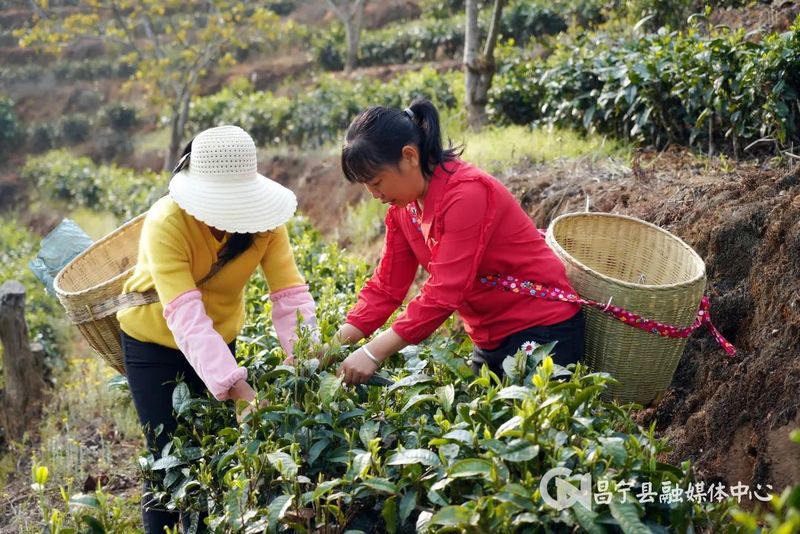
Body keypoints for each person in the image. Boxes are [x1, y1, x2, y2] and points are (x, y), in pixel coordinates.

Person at [117, 125, 317, 533]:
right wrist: (237, 387)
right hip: (153, 342)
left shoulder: (264, 223)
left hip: (220, 338)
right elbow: (184, 314)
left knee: (215, 450)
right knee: (166, 457)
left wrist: (308, 363)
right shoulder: (166, 221)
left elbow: (290, 296)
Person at [335, 98, 584, 385]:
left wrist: (371, 352)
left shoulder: (467, 194)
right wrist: (330, 348)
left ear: (409, 156)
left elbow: (444, 291)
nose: (374, 195)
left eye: (377, 182)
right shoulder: (404, 210)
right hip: (489, 340)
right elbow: (386, 289)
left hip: (542, 331)